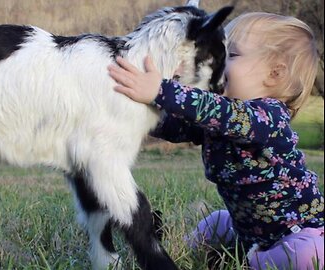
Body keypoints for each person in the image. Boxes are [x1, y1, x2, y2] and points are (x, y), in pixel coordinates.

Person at [108, 12, 324, 269]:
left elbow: (217, 111)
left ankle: (252, 261)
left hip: (299, 233)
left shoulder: (268, 117)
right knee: (217, 222)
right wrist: (138, 108)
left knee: (308, 256)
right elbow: (176, 126)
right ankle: (187, 248)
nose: (218, 60)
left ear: (274, 74)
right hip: (247, 232)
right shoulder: (218, 118)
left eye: (231, 55)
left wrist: (162, 90)